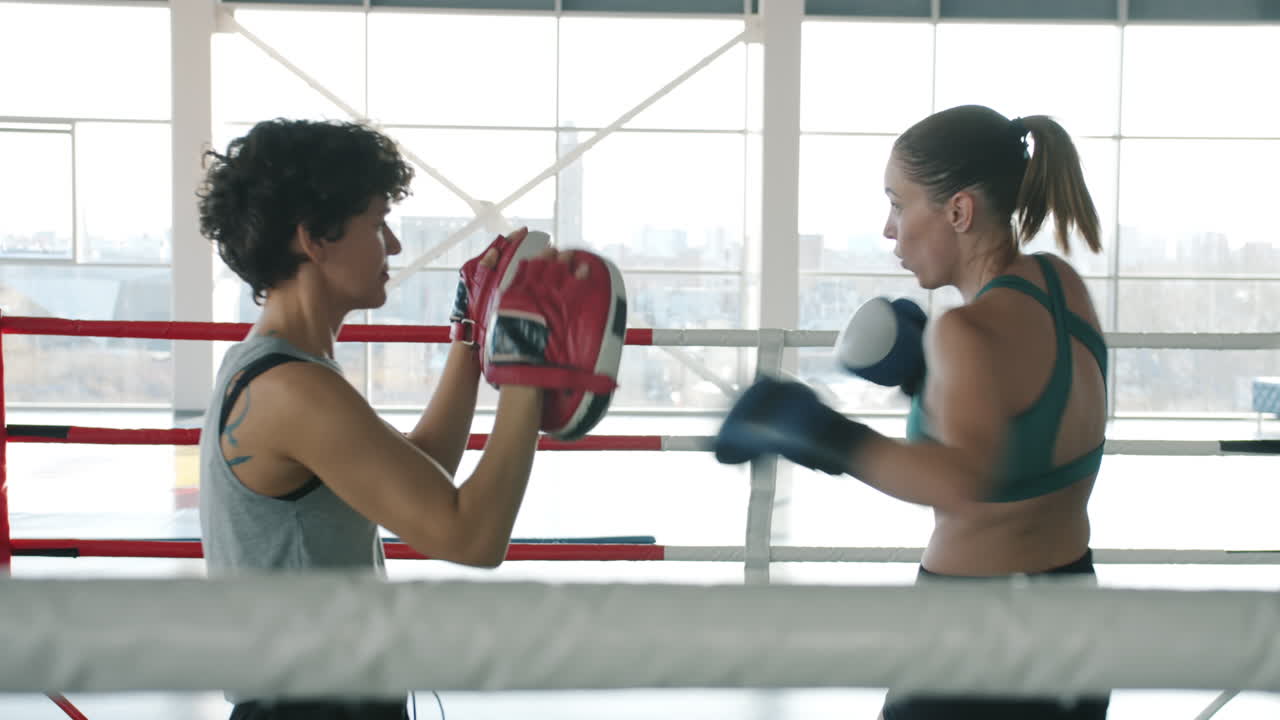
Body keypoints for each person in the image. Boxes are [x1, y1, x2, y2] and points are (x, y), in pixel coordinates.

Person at [196, 118, 618, 720]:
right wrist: (526, 365)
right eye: (376, 224)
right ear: (315, 238)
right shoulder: (293, 390)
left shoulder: (279, 366)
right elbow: (472, 537)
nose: (392, 246)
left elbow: (422, 470)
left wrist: (472, 336)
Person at [714, 104, 1110, 719]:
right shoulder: (1062, 287)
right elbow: (1032, 424)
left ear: (958, 212)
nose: (889, 228)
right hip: (1076, 619)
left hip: (973, 640)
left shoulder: (963, 332)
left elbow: (961, 482)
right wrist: (930, 388)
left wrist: (819, 431)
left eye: (899, 204)